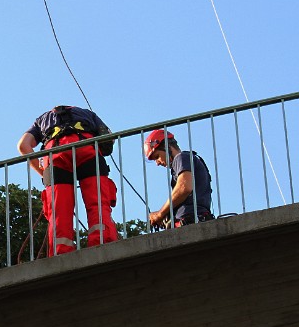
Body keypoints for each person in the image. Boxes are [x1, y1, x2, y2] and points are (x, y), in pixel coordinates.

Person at [17, 105, 119, 256]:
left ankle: (61, 253)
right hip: (88, 149)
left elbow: (23, 146)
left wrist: (44, 174)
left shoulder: (41, 121)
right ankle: (103, 243)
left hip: (55, 155)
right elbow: (108, 139)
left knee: (59, 210)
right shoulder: (88, 114)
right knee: (97, 202)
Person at [144, 129, 215, 228]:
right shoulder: (190, 160)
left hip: (190, 223)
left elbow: (184, 188)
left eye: (157, 156)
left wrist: (160, 214)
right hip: (198, 220)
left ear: (166, 147)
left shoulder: (181, 158)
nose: (157, 163)